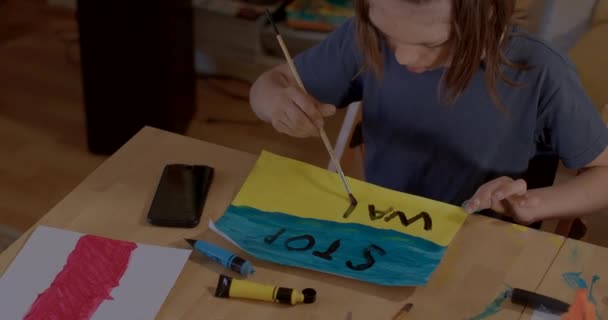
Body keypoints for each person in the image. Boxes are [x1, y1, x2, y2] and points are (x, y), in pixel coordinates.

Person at [249, 0, 608, 226]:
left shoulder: (540, 71)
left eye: (430, 44)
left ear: (484, 17)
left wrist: (534, 203)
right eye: (386, 33)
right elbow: (271, 82)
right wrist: (276, 102)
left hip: (485, 246)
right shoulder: (363, 37)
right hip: (379, 229)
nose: (402, 58)